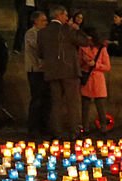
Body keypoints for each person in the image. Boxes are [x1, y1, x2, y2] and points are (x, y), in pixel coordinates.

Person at [38, 4, 87, 139]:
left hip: (52, 71)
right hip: (69, 70)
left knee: (56, 103)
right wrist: (77, 29)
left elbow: (40, 53)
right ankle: (74, 131)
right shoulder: (68, 30)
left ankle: (57, 132)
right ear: (59, 15)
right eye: (65, 15)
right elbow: (84, 42)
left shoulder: (42, 32)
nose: (67, 18)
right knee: (73, 103)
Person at [79, 27, 110, 134]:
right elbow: (78, 63)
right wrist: (85, 64)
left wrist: (95, 65)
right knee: (85, 106)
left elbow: (107, 66)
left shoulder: (102, 49)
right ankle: (85, 127)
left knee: (100, 106)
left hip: (97, 79)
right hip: (87, 79)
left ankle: (103, 126)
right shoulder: (82, 48)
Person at [24, 10, 49, 135]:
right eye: (43, 20)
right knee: (37, 98)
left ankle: (43, 126)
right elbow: (38, 47)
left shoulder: (44, 33)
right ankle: (33, 127)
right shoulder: (31, 33)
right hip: (35, 70)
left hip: (44, 70)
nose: (46, 22)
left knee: (45, 99)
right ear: (36, 21)